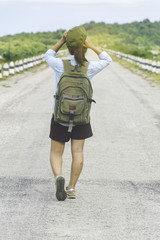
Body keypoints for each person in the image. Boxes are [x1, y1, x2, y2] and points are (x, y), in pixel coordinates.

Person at [44, 26, 112, 201]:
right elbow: (107, 59)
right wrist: (91, 45)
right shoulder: (89, 67)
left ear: (68, 46)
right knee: (78, 152)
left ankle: (59, 177)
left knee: (56, 152)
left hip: (60, 116)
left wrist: (61, 41)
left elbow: (48, 55)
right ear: (84, 46)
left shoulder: (60, 65)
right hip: (82, 117)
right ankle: (72, 187)